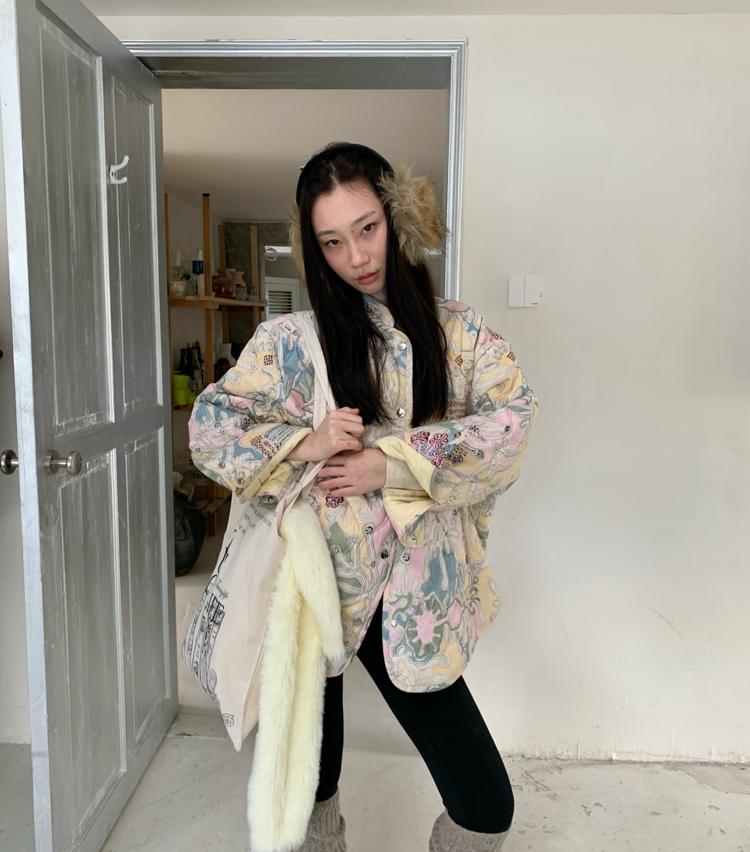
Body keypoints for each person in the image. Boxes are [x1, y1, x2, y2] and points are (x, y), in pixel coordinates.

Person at [188, 142, 539, 851]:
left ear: (396, 216)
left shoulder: (459, 332)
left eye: (367, 228)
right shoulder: (290, 341)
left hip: (415, 591)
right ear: (315, 250)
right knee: (310, 783)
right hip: (313, 589)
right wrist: (306, 444)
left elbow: (513, 423)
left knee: (484, 803)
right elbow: (210, 429)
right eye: (332, 241)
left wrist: (393, 462)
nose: (356, 256)